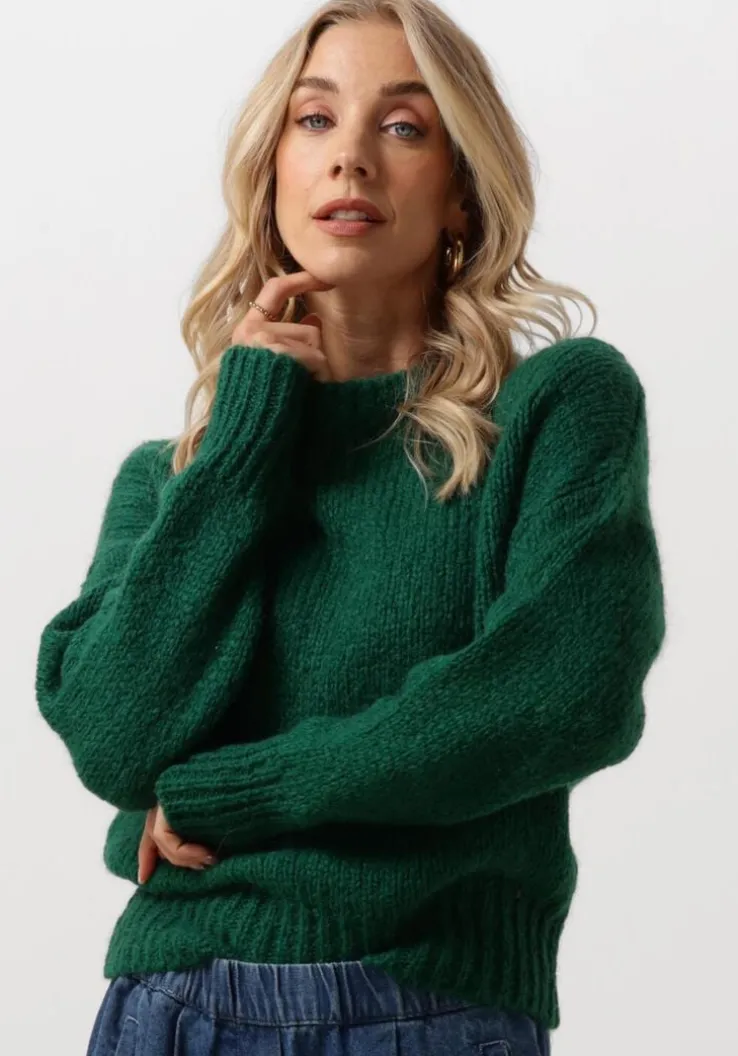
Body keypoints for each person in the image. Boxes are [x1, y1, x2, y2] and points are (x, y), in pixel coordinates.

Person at [35, 1, 667, 1054]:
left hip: (431, 1011)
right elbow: (112, 742)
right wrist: (245, 442)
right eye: (316, 120)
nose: (352, 159)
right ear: (271, 171)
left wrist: (234, 795)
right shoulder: (175, 479)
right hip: (170, 1010)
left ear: (461, 192)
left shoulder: (555, 410)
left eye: (404, 126)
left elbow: (562, 695)